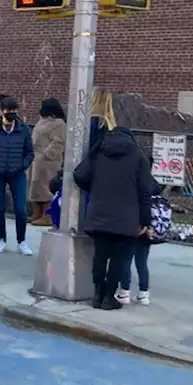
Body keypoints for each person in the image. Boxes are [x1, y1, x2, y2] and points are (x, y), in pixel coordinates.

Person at [73, 124, 156, 310]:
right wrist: (145, 221)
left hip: (99, 213)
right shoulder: (138, 156)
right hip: (126, 218)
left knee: (100, 256)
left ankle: (97, 295)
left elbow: (79, 174)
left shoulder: (99, 151)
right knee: (119, 259)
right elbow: (145, 192)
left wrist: (94, 190)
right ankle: (109, 297)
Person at [0, 95, 35, 255]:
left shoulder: (24, 129)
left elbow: (29, 152)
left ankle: (22, 241)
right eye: (9, 111)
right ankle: (1, 239)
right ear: (1, 112)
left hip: (17, 173)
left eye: (14, 111)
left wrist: (22, 166)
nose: (12, 114)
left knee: (21, 209)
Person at [117, 175, 163, 306]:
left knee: (126, 259)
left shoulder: (135, 182)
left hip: (134, 227)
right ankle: (144, 294)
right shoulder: (154, 184)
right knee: (142, 263)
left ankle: (124, 292)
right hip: (149, 230)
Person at [28, 98, 66, 225]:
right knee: (36, 188)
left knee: (46, 188)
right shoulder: (42, 121)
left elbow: (59, 141)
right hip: (36, 159)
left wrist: (47, 154)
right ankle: (37, 212)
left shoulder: (59, 123)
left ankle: (48, 215)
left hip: (48, 162)